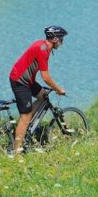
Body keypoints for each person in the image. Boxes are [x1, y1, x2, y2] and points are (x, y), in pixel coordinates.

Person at [8, 25, 68, 155]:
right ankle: (16, 152)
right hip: (20, 81)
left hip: (27, 81)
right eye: (62, 39)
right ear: (55, 39)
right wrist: (59, 89)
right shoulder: (43, 50)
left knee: (44, 96)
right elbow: (45, 77)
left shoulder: (43, 45)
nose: (62, 43)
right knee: (25, 116)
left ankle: (25, 124)